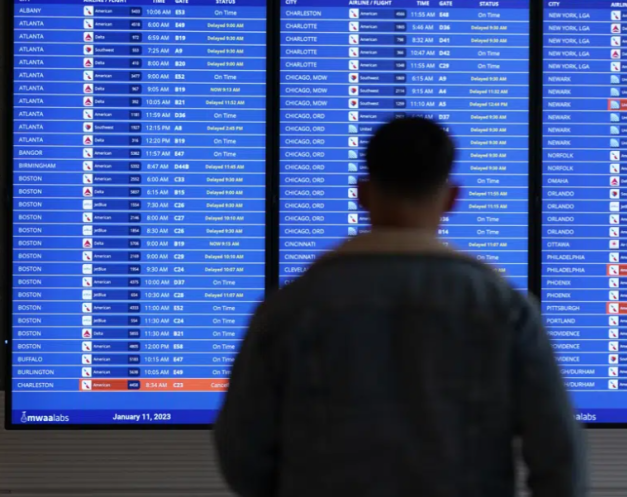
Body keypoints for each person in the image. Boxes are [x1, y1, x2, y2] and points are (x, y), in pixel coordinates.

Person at [214, 117, 586, 497]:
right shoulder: (503, 309)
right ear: (452, 198)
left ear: (362, 192)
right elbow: (559, 459)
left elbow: (241, 454)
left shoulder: (288, 310)